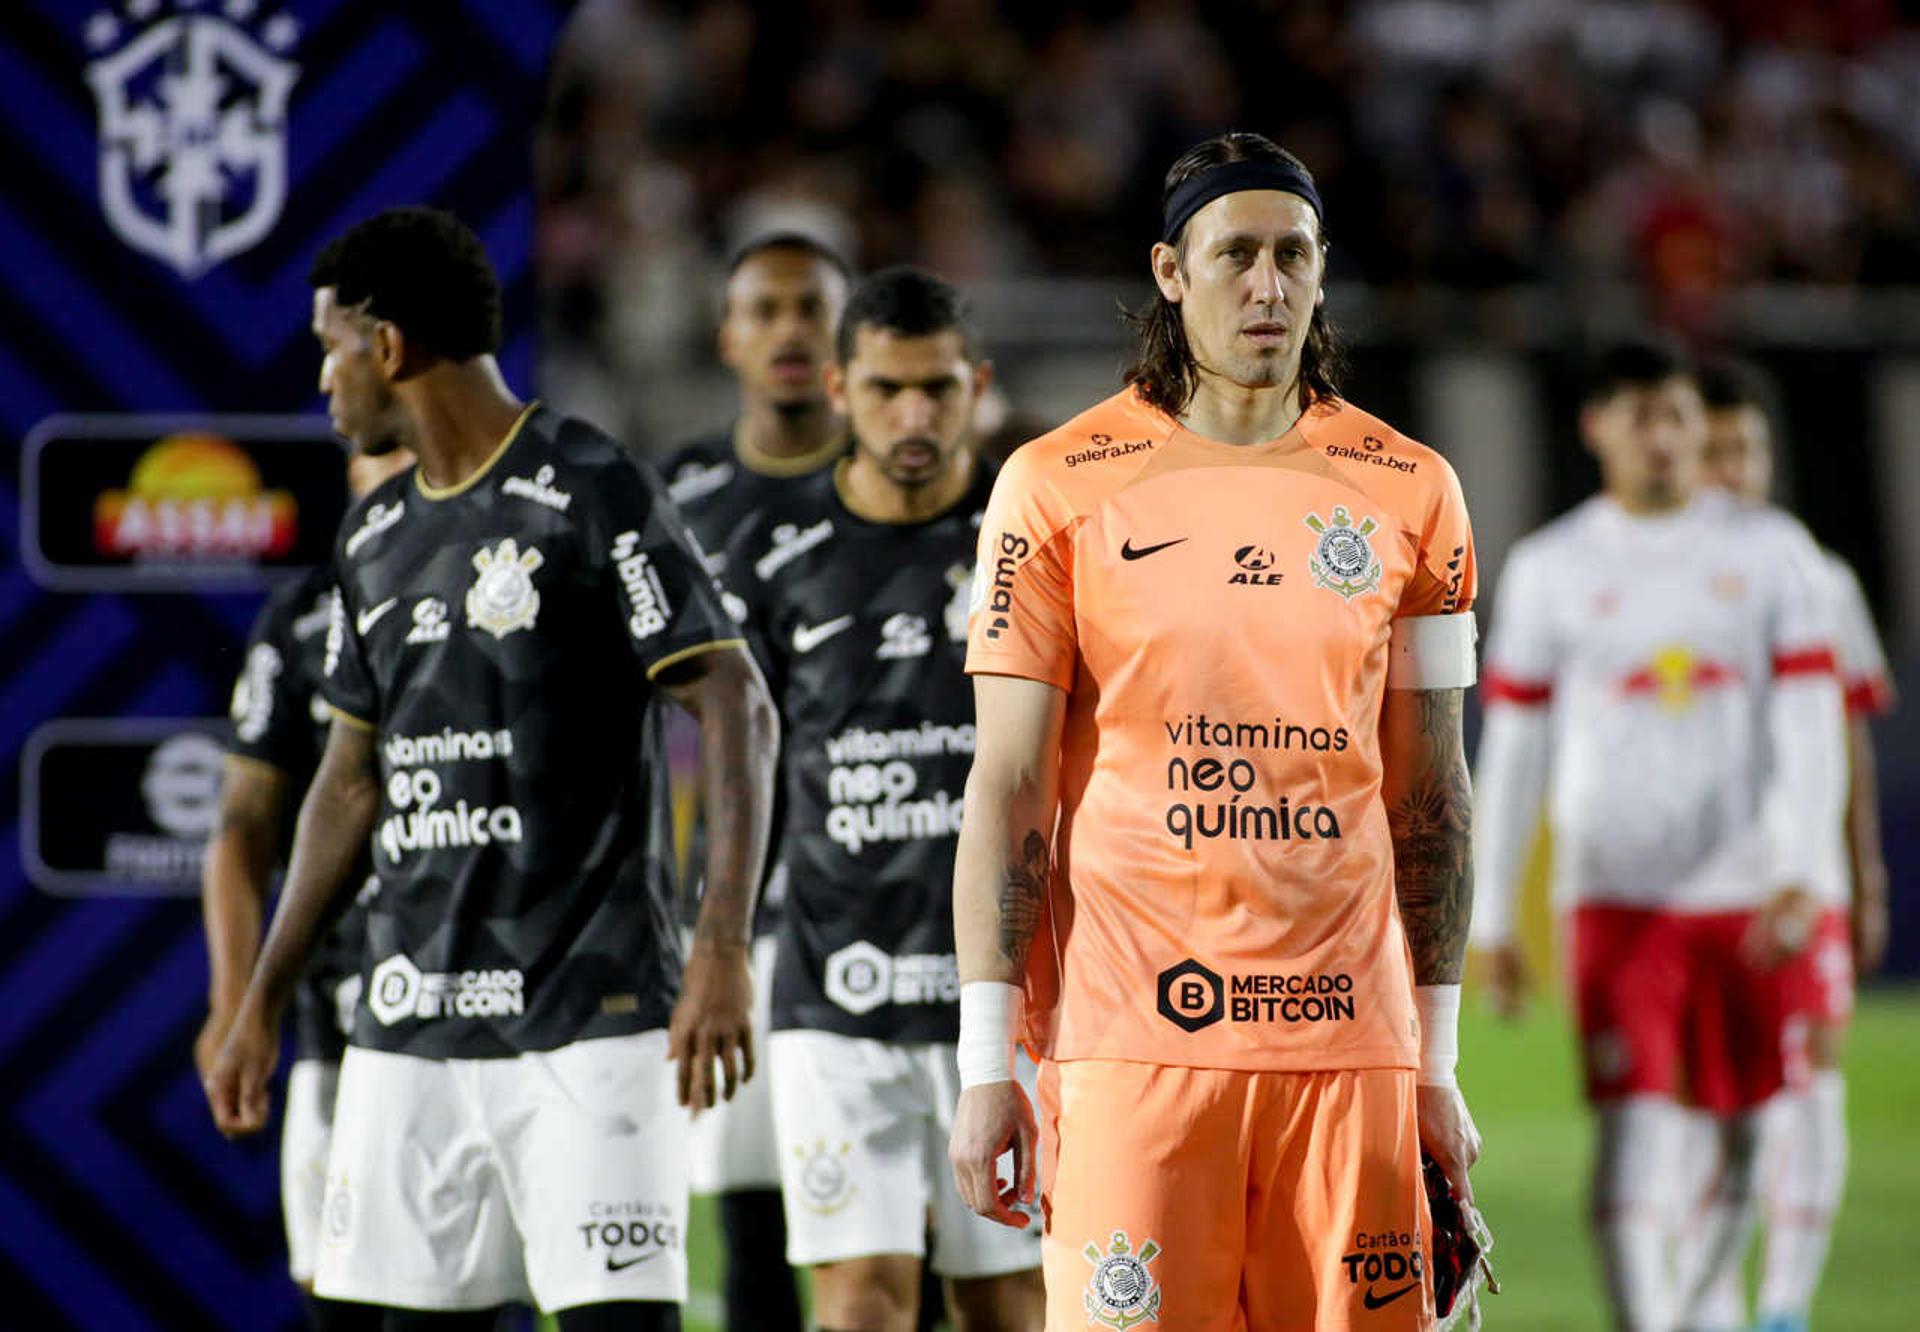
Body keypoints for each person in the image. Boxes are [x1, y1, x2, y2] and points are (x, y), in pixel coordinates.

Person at [202, 206, 779, 1331]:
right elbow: (347, 784)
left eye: (330, 346)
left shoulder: (588, 482)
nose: (323, 378)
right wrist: (262, 993)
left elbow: (734, 702)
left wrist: (721, 951)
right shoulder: (371, 541)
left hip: (592, 1021)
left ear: (389, 344)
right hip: (405, 1030)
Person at [949, 131, 1483, 1332]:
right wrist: (990, 1061)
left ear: (1324, 271)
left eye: (1294, 254)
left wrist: (1435, 1065)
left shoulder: (1413, 490)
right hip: (1131, 1043)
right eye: (1235, 252)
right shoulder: (1054, 485)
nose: (1268, 284)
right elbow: (1011, 785)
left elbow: (1433, 799)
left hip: (1350, 1048)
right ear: (1168, 271)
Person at [1472, 340, 1845, 1332]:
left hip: (1746, 886)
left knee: (1748, 1132)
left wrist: (1807, 868)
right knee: (1632, 1126)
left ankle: (1689, 1313)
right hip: (1612, 892)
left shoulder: (1770, 553)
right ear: (1597, 428)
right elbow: (1513, 748)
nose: (1666, 440)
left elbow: (1814, 723)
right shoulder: (1553, 567)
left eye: (1679, 418)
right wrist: (1496, 912)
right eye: (1643, 418)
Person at [724, 266, 1043, 1332]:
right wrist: (717, 941)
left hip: (1010, 994)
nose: (913, 415)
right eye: (885, 389)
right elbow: (738, 769)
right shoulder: (776, 561)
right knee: (860, 1301)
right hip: (834, 994)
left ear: (979, 387)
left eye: (939, 390)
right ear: (839, 386)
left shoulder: (1037, 540)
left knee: (1008, 1301)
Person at [655, 231, 850, 1332]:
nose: (788, 332)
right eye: (765, 311)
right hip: (728, 910)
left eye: (810, 309)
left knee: (893, 1229)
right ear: (727, 336)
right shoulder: (677, 498)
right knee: (752, 1218)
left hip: (875, 901)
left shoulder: (895, 484)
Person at [1680, 356, 1896, 1332]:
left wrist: (1865, 873)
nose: (1731, 469)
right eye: (1712, 450)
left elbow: (1848, 734)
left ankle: (1785, 1305)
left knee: (1809, 1087)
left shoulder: (1822, 577)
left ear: (1770, 458)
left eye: (1746, 449)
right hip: (1691, 888)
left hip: (1802, 882)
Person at [197, 443, 414, 1332]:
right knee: (338, 1290)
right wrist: (235, 1000)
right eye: (379, 453)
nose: (398, 467)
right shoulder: (302, 623)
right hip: (340, 1015)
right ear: (354, 477)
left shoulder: (517, 591)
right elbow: (245, 826)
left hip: (502, 1003)